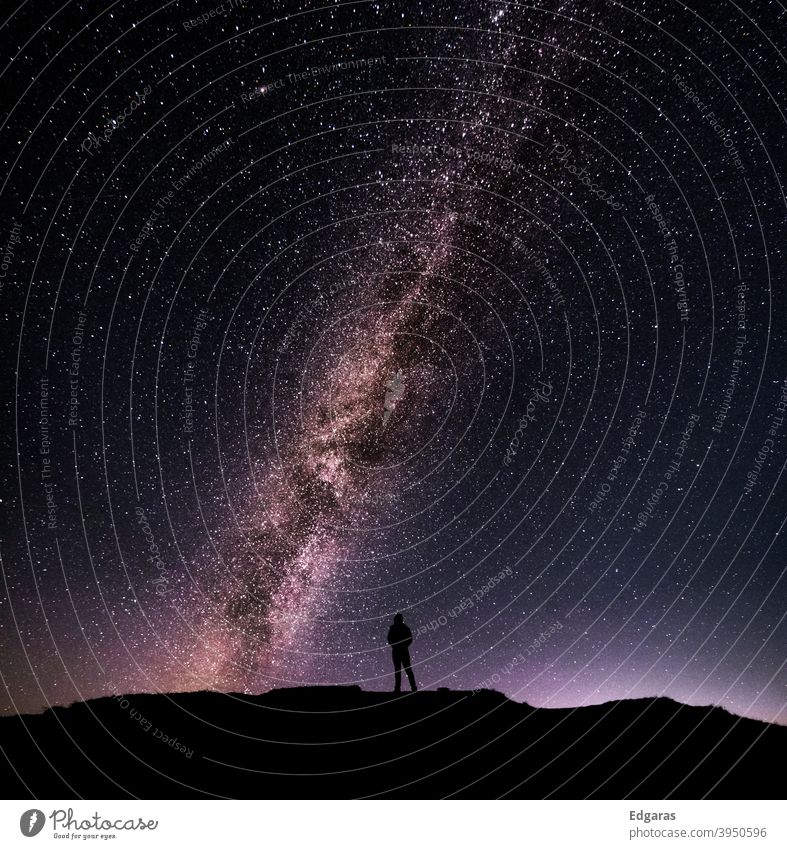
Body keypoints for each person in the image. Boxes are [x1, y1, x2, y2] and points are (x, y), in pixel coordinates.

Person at [387, 613, 417, 693]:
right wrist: (403, 645)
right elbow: (409, 639)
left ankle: (399, 688)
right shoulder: (404, 628)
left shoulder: (395, 628)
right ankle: (412, 687)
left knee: (400, 670)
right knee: (405, 670)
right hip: (402, 651)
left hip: (399, 651)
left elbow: (390, 639)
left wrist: (396, 646)